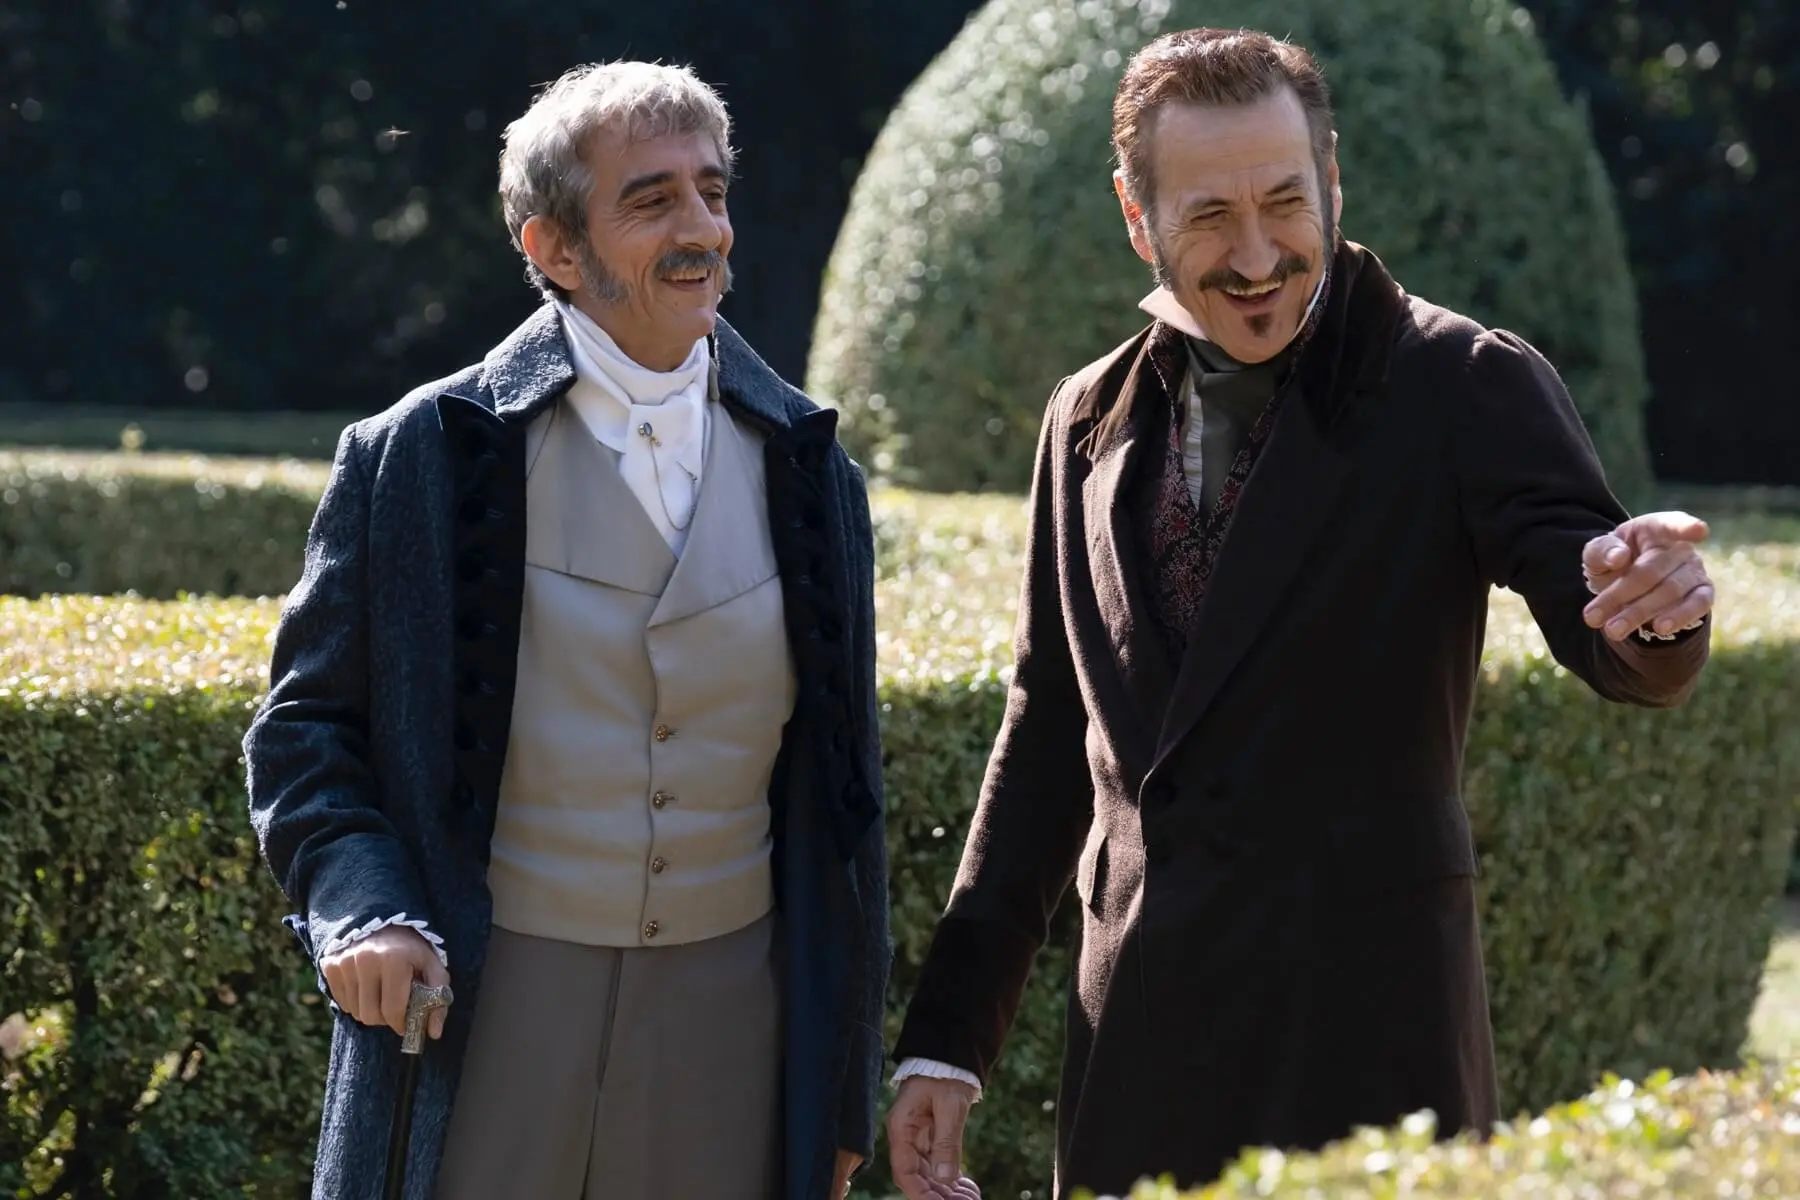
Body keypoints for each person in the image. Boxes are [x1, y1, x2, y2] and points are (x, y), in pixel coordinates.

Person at [884, 28, 1714, 1200]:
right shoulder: (1082, 420)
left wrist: (1651, 610)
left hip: (1370, 1055)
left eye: (1285, 201)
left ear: (1332, 181)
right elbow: (1048, 734)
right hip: (1136, 1063)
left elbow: (1603, 608)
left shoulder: (1461, 381)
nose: (1257, 254)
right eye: (1210, 216)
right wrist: (948, 1040)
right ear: (1137, 217)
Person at [244, 61, 888, 1200]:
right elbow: (304, 735)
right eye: (652, 200)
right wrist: (363, 910)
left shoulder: (811, 465)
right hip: (486, 1013)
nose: (701, 230)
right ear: (554, 249)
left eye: (712, 191)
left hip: (730, 1023)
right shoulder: (417, 457)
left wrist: (840, 1089)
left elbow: (849, 803)